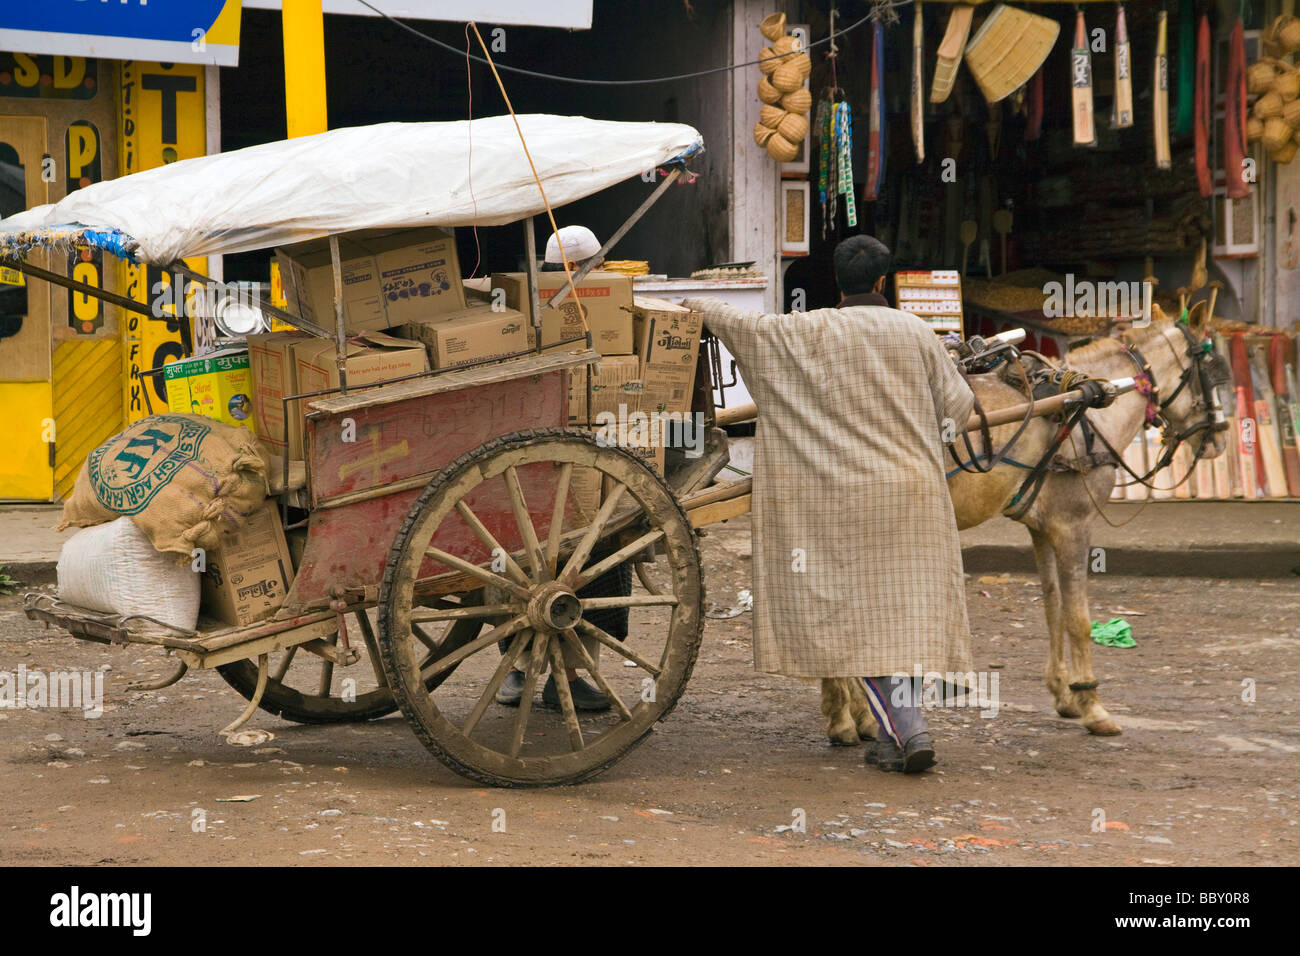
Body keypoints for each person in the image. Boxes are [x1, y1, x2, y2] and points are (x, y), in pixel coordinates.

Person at [682, 235, 976, 774]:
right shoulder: (916, 332)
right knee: (902, 614)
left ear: (836, 284)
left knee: (854, 613)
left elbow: (740, 325)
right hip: (912, 497)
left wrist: (694, 301)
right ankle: (897, 731)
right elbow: (960, 409)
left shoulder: (806, 330)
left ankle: (908, 729)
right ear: (884, 282)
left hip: (842, 501)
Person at [494, 224, 630, 713]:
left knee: (512, 563)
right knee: (592, 563)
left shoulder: (516, 313)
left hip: (519, 469)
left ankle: (513, 672)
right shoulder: (598, 310)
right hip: (582, 462)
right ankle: (567, 679)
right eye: (596, 265)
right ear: (576, 268)